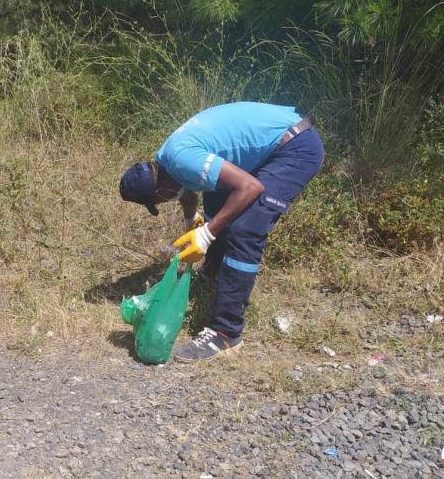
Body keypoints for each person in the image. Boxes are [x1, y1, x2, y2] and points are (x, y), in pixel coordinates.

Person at [119, 102, 324, 362]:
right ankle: (213, 273)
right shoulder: (167, 159)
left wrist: (207, 233)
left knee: (245, 229)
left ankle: (226, 333)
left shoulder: (183, 158)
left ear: (159, 193)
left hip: (295, 149)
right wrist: (192, 218)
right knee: (216, 202)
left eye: (159, 202)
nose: (164, 202)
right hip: (278, 142)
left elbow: (250, 187)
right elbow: (188, 191)